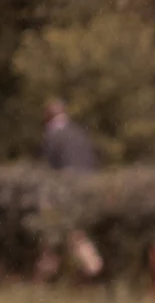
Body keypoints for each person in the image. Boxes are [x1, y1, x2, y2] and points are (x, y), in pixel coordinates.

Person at [36, 98, 105, 280]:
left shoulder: (52, 134)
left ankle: (92, 267)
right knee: (69, 230)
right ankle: (49, 270)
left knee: (61, 229)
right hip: (88, 186)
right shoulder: (79, 132)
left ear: (47, 117)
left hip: (65, 189)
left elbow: (49, 169)